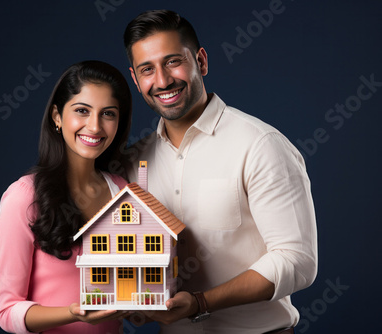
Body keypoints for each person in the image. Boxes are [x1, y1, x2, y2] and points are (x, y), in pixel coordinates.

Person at [122, 10, 318, 334]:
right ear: (135, 78)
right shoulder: (134, 161)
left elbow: (298, 261)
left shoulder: (260, 145)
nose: (162, 80)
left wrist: (201, 302)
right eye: (147, 69)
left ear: (201, 61)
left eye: (173, 61)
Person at [0, 60, 132, 334]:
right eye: (82, 111)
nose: (94, 126)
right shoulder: (24, 197)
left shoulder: (122, 191)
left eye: (108, 113)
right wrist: (72, 313)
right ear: (57, 116)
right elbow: (8, 312)